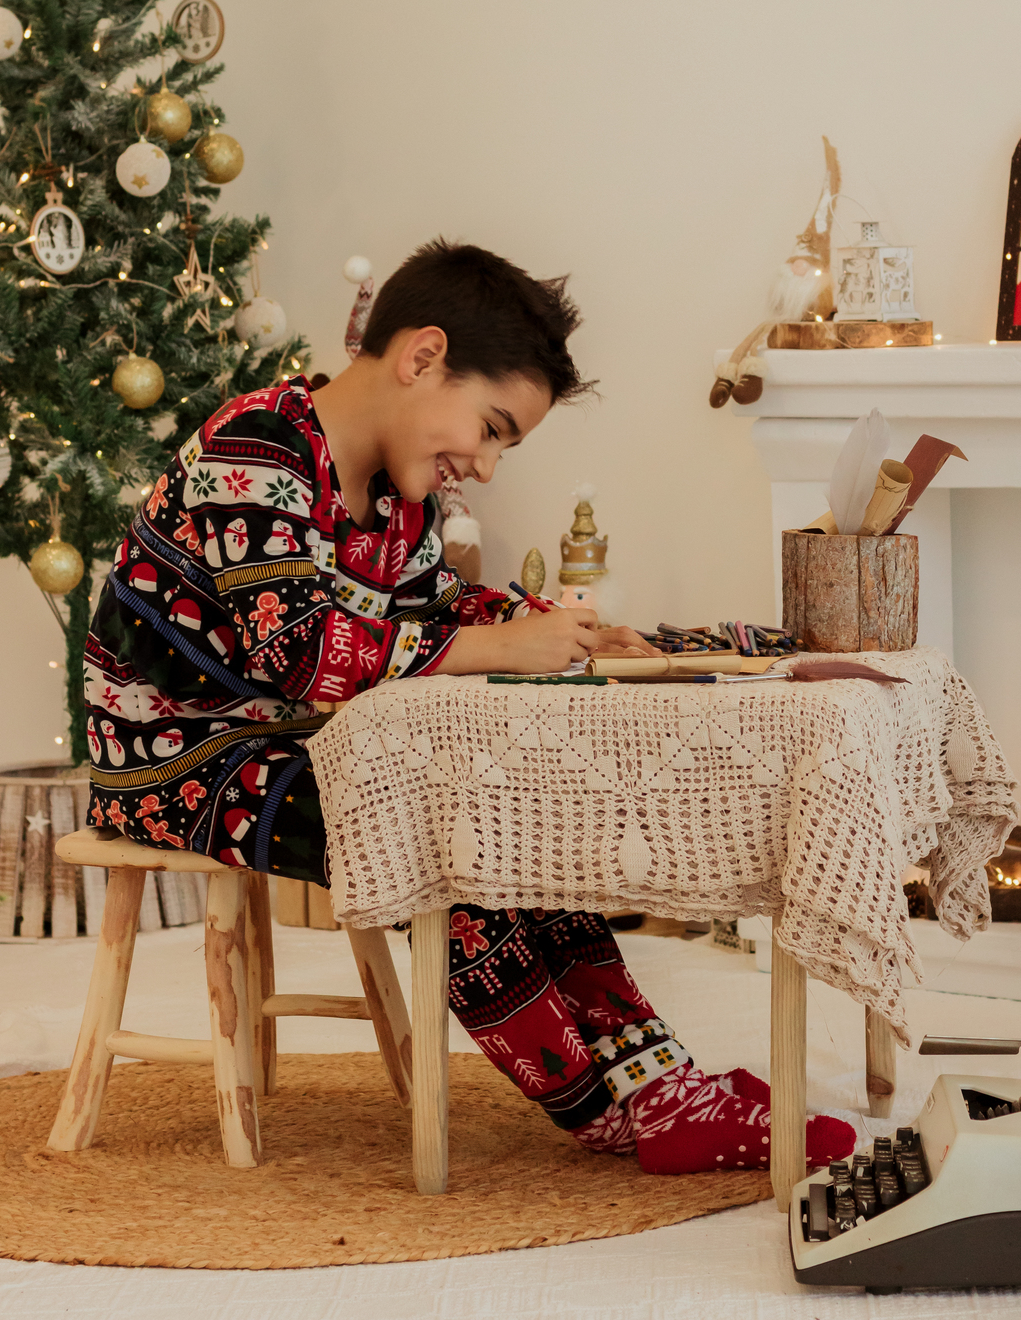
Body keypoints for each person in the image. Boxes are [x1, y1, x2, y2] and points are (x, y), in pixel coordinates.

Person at [84, 239, 854, 1175]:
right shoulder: (261, 444)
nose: (485, 466)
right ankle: (607, 1110)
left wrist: (558, 628)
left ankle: (656, 1080)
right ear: (421, 358)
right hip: (177, 755)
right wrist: (494, 646)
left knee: (516, 816)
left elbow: (438, 608)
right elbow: (299, 654)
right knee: (444, 825)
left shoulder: (396, 499)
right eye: (491, 428)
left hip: (286, 742)